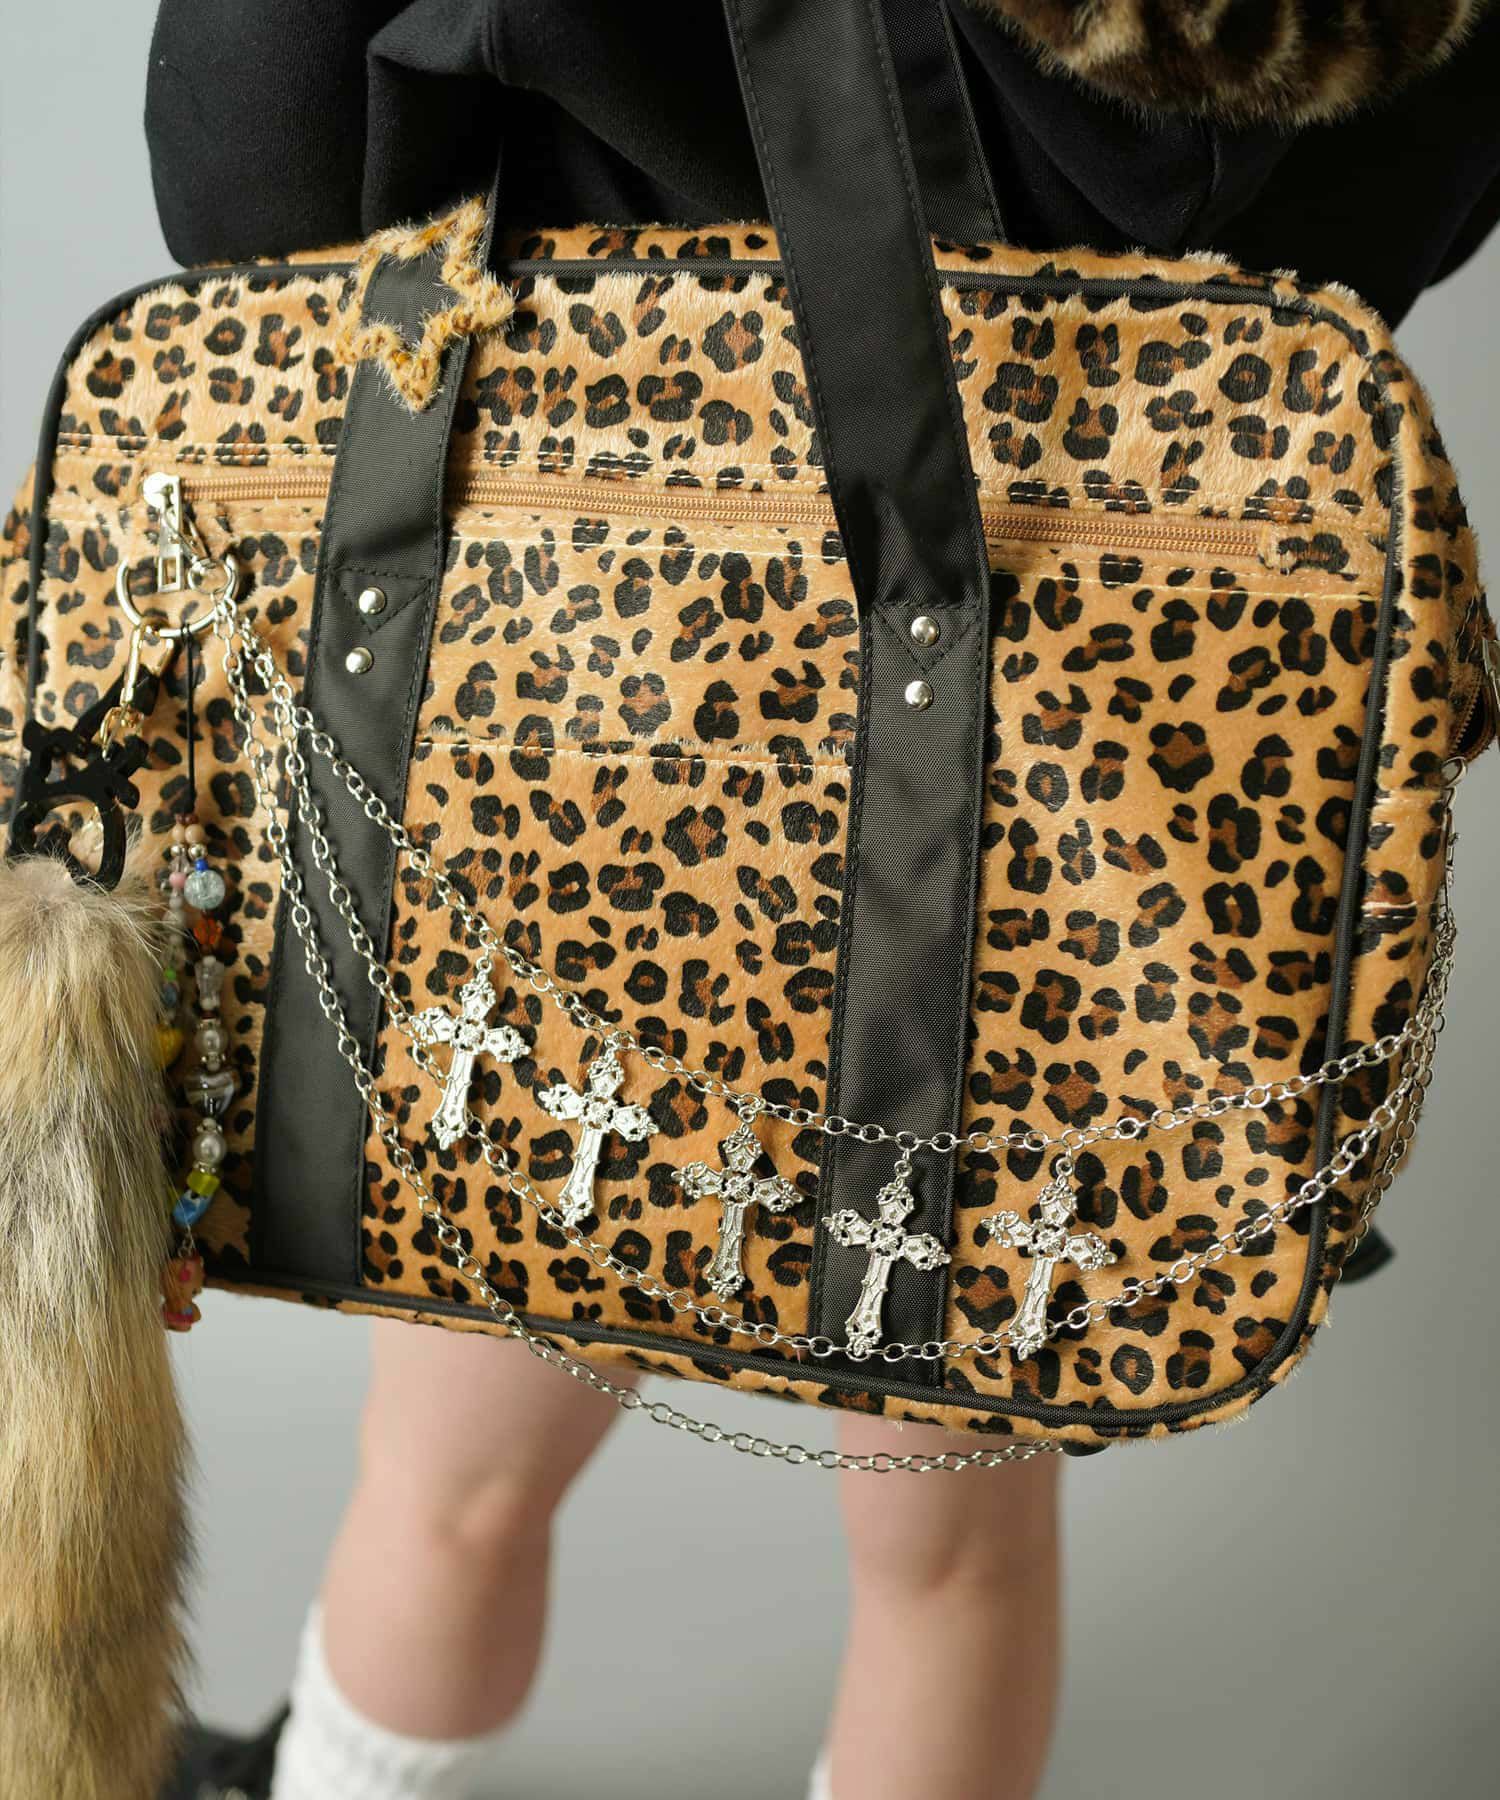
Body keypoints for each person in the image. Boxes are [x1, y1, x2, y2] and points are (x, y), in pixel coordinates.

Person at [148, 4, 1500, 1797]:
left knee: (452, 1475)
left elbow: (251, 143)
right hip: (1065, 817)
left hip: (582, 720)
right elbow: (1399, 214)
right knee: (954, 1561)